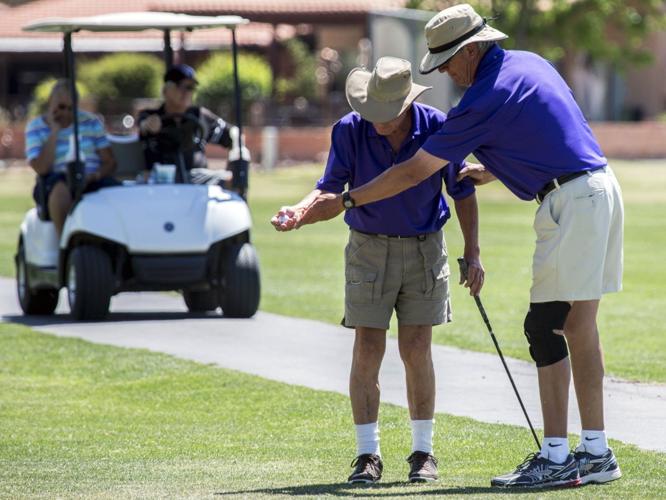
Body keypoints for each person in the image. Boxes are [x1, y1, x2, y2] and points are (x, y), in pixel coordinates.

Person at [296, 3, 624, 490]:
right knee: (579, 325)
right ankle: (595, 451)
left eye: (447, 59)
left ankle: (558, 457)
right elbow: (552, 132)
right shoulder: (530, 64)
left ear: (471, 49)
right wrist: (492, 169)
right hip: (598, 189)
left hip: (570, 203)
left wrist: (346, 200)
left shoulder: (483, 97)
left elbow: (413, 172)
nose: (445, 71)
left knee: (546, 326)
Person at [271, 57, 484, 484]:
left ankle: (423, 453)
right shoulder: (350, 128)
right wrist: (299, 209)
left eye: (387, 113)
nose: (378, 121)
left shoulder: (438, 127)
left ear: (406, 104)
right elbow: (329, 186)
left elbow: (461, 192)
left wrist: (473, 252)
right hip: (368, 250)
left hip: (426, 249)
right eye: (373, 111)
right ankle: (367, 456)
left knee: (416, 349)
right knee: (368, 349)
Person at [25, 79, 117, 236]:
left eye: (71, 108)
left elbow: (110, 162)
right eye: (61, 107)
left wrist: (94, 176)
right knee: (60, 187)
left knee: (117, 192)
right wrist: (54, 131)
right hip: (55, 180)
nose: (66, 113)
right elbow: (41, 168)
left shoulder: (90, 122)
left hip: (91, 177)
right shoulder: (36, 127)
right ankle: (64, 243)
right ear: (50, 102)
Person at [138, 64, 233, 186]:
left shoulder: (200, 115)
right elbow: (144, 125)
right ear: (166, 90)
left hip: (197, 179)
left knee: (233, 180)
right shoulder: (151, 115)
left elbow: (232, 136)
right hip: (161, 178)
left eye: (190, 87)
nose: (186, 92)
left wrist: (236, 158)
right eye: (180, 86)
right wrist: (149, 125)